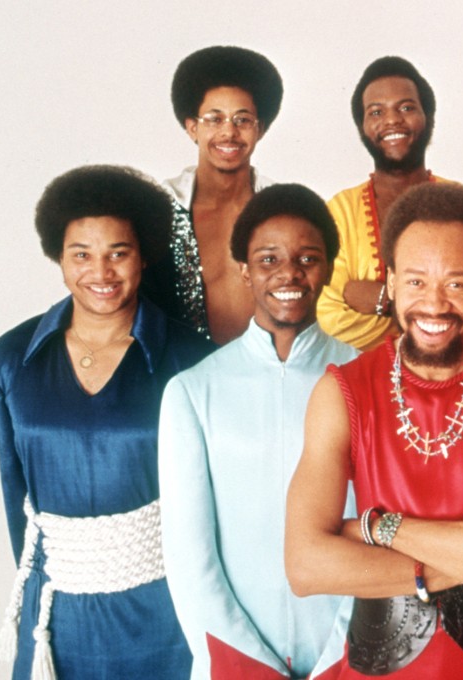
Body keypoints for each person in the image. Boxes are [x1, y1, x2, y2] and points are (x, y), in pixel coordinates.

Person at [287, 182, 463, 678]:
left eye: (456, 283)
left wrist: (379, 530)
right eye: (417, 282)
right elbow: (307, 567)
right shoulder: (342, 392)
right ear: (391, 283)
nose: (434, 305)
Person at [0, 166, 212, 679]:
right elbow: (13, 492)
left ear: (145, 254)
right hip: (56, 617)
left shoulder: (192, 358)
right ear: (59, 258)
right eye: (81, 254)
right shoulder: (12, 357)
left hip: (166, 612)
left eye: (118, 252)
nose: (101, 272)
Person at [158, 184, 359, 680]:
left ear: (329, 267)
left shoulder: (368, 379)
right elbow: (190, 560)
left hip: (352, 657)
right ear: (245, 271)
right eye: (268, 259)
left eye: (307, 257)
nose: (288, 272)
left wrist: (341, 659)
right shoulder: (193, 391)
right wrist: (250, 668)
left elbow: (384, 533)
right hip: (234, 661)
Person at [317, 56, 463, 351]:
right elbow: (329, 318)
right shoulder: (339, 212)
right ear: (362, 127)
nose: (392, 120)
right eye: (376, 112)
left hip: (458, 382)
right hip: (364, 383)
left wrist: (383, 299)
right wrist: (442, 320)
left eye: (406, 108)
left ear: (429, 118)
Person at [141, 45, 283, 344]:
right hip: (182, 375)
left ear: (261, 129)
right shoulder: (160, 209)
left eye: (242, 120)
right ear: (192, 127)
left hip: (269, 375)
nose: (229, 133)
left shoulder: (282, 210)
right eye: (214, 119)